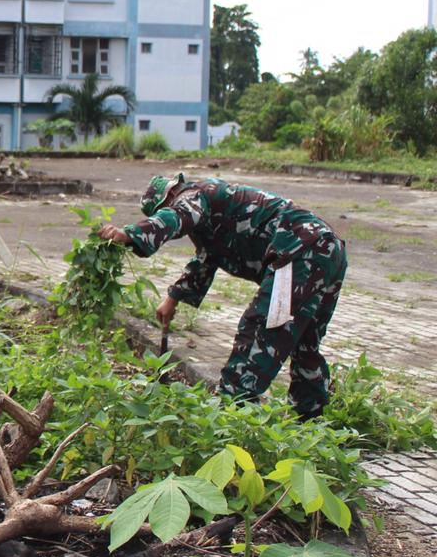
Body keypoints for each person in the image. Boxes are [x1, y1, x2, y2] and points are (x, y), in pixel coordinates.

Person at [98, 173, 348, 420]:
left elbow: (177, 216)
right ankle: (310, 419)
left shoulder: (193, 195)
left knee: (260, 329)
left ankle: (231, 413)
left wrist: (131, 234)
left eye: (162, 209)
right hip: (327, 249)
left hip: (299, 250)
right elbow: (206, 259)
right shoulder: (212, 216)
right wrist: (173, 298)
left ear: (170, 196)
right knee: (305, 342)